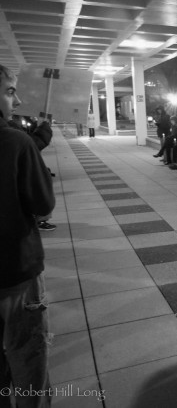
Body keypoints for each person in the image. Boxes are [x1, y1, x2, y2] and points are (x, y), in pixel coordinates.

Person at [0, 64, 55, 408]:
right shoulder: (13, 141)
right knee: (27, 355)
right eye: (9, 91)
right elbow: (43, 203)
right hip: (15, 268)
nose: (17, 100)